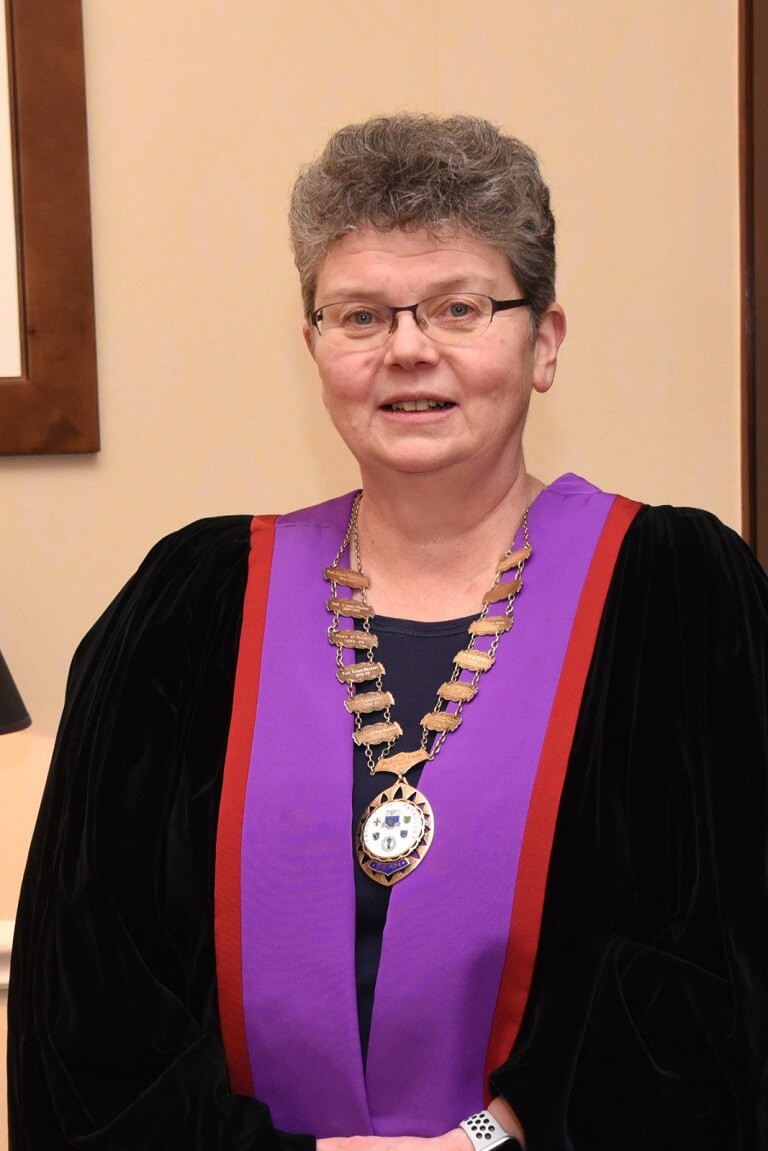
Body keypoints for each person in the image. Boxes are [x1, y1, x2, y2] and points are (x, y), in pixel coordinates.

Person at [8, 113, 768, 1151]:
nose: (408, 349)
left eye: (461, 306)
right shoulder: (188, 609)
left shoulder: (678, 597)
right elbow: (84, 1002)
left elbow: (723, 975)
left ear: (544, 343)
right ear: (313, 348)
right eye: (359, 315)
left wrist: (492, 1141)